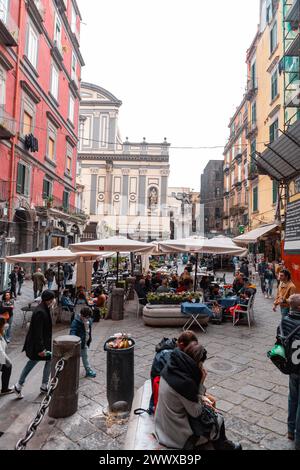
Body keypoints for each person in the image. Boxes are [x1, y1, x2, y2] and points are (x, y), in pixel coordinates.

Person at [155, 342, 241, 450]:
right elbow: (196, 412)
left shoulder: (172, 367)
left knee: (210, 409)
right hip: (176, 436)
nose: (202, 367)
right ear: (197, 363)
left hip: (163, 425)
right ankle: (222, 446)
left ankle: (222, 444)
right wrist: (201, 383)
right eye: (201, 364)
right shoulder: (185, 383)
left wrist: (200, 397)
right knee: (218, 419)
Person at [14, 290, 55, 399]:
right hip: (38, 346)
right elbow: (37, 332)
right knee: (32, 362)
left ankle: (43, 385)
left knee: (48, 360)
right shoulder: (40, 311)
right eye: (52, 299)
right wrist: (41, 349)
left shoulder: (44, 308)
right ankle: (19, 385)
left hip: (40, 344)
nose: (53, 301)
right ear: (49, 300)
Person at [275, 294, 300, 450]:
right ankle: (298, 440)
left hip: (291, 366)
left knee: (293, 398)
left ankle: (291, 430)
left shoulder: (284, 321)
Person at [70, 307, 96, 378]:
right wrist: (74, 340)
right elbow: (73, 331)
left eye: (88, 317)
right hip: (78, 343)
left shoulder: (89, 320)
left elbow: (88, 331)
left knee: (84, 356)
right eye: (86, 317)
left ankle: (87, 371)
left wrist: (89, 339)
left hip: (85, 342)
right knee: (82, 357)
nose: (87, 319)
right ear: (81, 315)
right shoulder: (76, 322)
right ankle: (86, 371)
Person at [0, 318, 13, 395]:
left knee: (7, 367)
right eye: (4, 324)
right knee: (8, 366)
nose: (6, 325)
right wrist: (7, 360)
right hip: (1, 356)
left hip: (1, 356)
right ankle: (4, 389)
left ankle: (5, 389)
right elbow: (0, 351)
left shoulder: (2, 333)